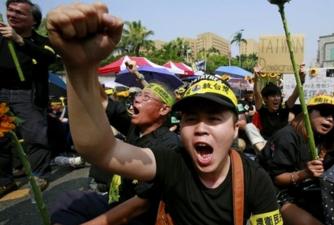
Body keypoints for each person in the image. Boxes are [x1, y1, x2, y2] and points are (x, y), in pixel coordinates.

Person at [47, 3, 282, 224]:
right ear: (180, 126)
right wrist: (77, 67)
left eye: (214, 118)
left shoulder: (255, 180)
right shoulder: (173, 162)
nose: (201, 128)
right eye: (191, 119)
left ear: (234, 128)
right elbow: (99, 149)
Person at [51, 79, 180, 224]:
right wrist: (84, 66)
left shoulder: (169, 145)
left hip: (141, 216)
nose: (136, 99)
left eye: (146, 97)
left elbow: (142, 205)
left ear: (163, 109)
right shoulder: (134, 126)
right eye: (138, 95)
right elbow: (102, 100)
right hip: (117, 199)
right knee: (67, 202)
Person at [258, 95, 334, 225]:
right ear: (309, 111)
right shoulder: (287, 137)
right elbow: (277, 178)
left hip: (306, 191)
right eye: (325, 112)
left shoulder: (327, 137)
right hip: (275, 193)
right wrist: (304, 173)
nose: (330, 119)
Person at [0, 0, 56, 194]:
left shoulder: (43, 42)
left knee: (35, 136)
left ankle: (40, 174)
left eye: (19, 12)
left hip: (28, 95)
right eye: (10, 10)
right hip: (2, 94)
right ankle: (5, 180)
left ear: (33, 21)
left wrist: (19, 40)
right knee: (2, 139)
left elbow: (49, 57)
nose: (12, 14)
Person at [252, 64, 303, 140]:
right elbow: (257, 94)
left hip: (282, 143)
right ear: (265, 99)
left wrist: (301, 80)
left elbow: (295, 95)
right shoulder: (263, 111)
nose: (276, 98)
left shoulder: (284, 110)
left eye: (278, 96)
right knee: (249, 127)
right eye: (272, 96)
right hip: (266, 143)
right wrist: (256, 78)